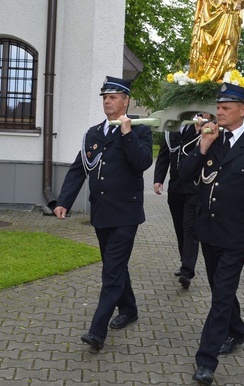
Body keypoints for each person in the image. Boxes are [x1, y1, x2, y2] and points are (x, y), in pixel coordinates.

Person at [179, 82, 244, 386]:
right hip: (209, 233)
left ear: (243, 110)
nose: (218, 112)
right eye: (218, 107)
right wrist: (203, 147)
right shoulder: (211, 140)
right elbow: (183, 176)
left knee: (220, 297)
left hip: (238, 236)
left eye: (225, 108)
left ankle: (206, 360)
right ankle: (238, 331)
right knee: (221, 291)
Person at [54, 76, 153, 351]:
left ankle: (97, 331)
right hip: (101, 213)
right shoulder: (94, 132)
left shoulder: (139, 130)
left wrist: (127, 133)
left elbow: (142, 162)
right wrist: (64, 201)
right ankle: (129, 309)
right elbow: (78, 168)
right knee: (116, 266)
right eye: (105, 97)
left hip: (126, 214)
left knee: (111, 272)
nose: (107, 101)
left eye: (113, 97)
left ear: (125, 101)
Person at [153, 113, 208, 290]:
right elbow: (163, 155)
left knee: (190, 227)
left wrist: (199, 131)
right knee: (179, 228)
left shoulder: (201, 127)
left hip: (194, 187)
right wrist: (158, 179)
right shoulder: (172, 128)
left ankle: (187, 270)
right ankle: (184, 261)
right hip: (175, 187)